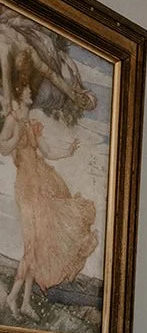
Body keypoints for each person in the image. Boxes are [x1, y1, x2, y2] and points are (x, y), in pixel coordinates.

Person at [0, 90, 95, 319]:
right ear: (19, 97)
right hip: (27, 189)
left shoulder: (31, 123)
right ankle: (12, 298)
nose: (31, 97)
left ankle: (24, 303)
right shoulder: (13, 120)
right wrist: (18, 134)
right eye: (27, 94)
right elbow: (3, 147)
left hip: (42, 185)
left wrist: (68, 151)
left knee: (39, 248)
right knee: (31, 248)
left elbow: (48, 151)